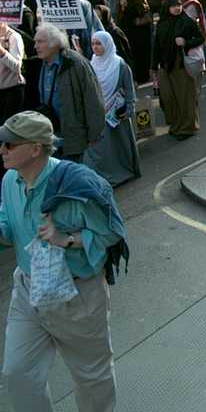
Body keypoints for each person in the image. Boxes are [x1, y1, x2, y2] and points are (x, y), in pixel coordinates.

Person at [0, 110, 128, 412]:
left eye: (9, 143)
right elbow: (7, 227)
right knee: (17, 373)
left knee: (91, 378)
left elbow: (112, 232)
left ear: (35, 148)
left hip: (77, 296)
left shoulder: (79, 184)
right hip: (28, 290)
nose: (2, 149)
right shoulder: (9, 180)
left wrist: (67, 239)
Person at [34, 23, 105, 162]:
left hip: (74, 137)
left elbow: (93, 100)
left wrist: (94, 134)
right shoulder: (41, 64)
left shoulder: (76, 63)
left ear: (54, 43)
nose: (35, 46)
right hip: (52, 138)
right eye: (35, 42)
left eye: (40, 42)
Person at [83, 32, 141, 186]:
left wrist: (129, 108)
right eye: (93, 43)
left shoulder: (119, 64)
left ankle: (124, 173)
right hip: (99, 113)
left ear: (107, 44)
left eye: (99, 44)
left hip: (116, 114)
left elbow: (129, 88)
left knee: (119, 147)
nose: (95, 47)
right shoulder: (92, 63)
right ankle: (106, 177)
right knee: (102, 150)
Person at [151, 0, 206, 140]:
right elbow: (156, 46)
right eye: (173, 5)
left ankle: (187, 128)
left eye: (179, 5)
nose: (177, 8)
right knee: (168, 98)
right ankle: (175, 125)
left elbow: (200, 38)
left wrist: (186, 42)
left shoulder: (186, 21)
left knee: (184, 97)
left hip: (181, 65)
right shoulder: (162, 24)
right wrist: (153, 67)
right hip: (165, 66)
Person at [115, 0, 152, 84]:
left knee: (140, 52)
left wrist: (128, 5)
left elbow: (142, 9)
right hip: (126, 27)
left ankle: (143, 76)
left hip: (138, 29)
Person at [0, 23, 25, 125]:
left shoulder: (14, 37)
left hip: (12, 90)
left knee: (8, 129)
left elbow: (17, 67)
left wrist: (1, 51)